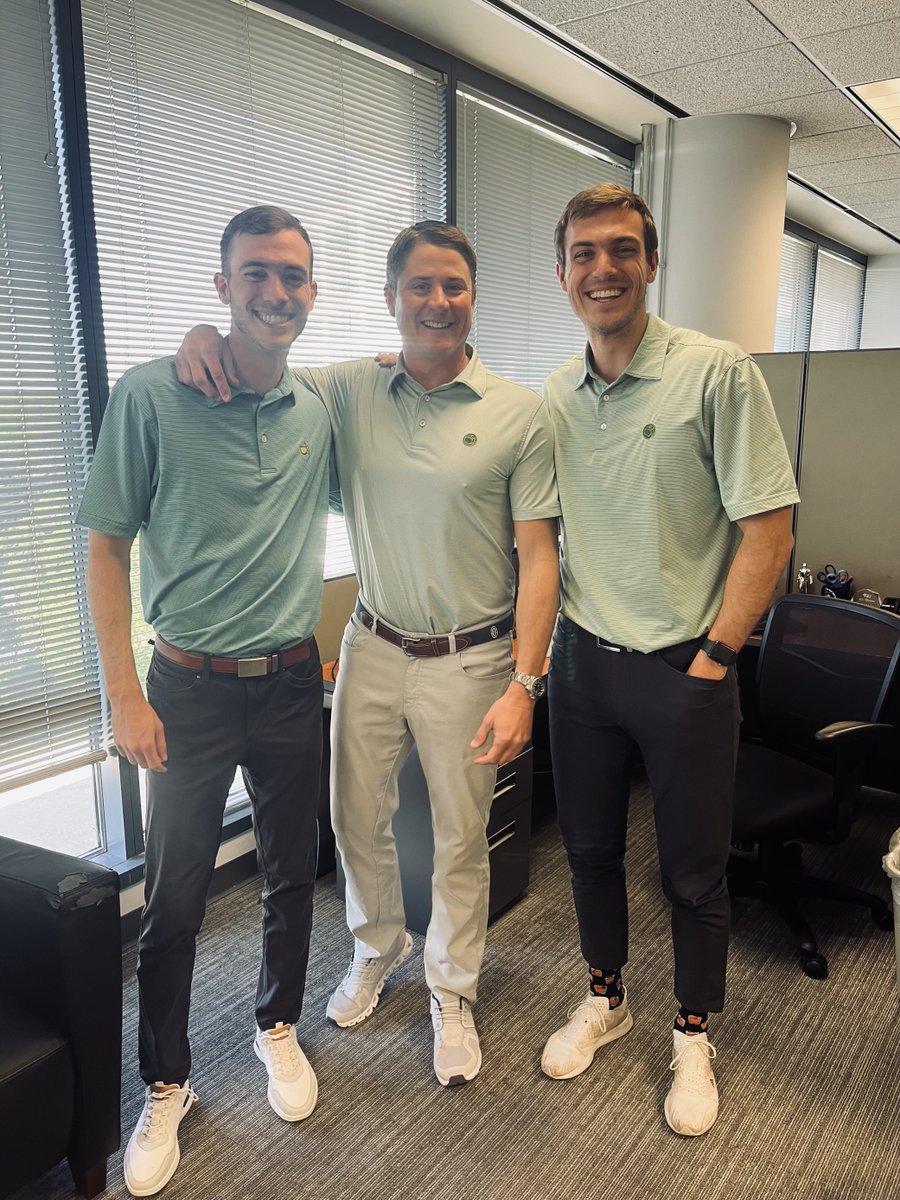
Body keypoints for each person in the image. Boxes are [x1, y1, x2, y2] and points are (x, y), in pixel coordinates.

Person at [175, 220, 560, 1088]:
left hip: (472, 657)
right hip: (373, 647)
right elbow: (257, 365)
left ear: (472, 296)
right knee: (356, 818)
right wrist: (201, 334)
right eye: (419, 286)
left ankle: (451, 988)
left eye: (453, 285)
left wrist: (525, 684)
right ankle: (376, 948)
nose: (437, 301)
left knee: (462, 836)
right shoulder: (348, 390)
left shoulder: (517, 412)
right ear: (391, 300)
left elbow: (541, 560)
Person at [77, 206, 332, 1196]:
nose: (278, 292)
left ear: (314, 293)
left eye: (295, 276)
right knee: (177, 897)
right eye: (257, 274)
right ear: (222, 286)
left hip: (291, 684)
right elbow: (105, 546)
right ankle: (167, 1082)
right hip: (182, 690)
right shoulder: (151, 395)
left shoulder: (318, 409)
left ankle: (277, 1025)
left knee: (287, 873)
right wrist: (124, 697)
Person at [539, 183, 799, 1136]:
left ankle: (694, 1031)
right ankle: (607, 998)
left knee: (692, 871)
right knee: (590, 852)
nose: (601, 269)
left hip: (684, 667)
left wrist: (717, 658)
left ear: (651, 262)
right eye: (582, 254)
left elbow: (768, 527)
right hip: (582, 668)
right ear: (561, 272)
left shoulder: (715, 372)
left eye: (620, 250)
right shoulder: (555, 397)